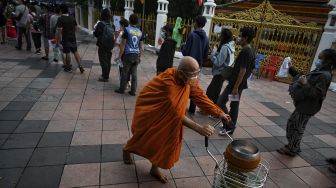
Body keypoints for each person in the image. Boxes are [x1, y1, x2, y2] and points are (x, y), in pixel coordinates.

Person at [123, 56, 231, 183]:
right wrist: (199, 128)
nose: (195, 78)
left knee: (164, 143)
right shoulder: (169, 85)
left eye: (197, 74)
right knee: (147, 139)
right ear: (180, 74)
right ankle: (127, 148)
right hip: (155, 114)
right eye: (193, 75)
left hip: (170, 118)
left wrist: (220, 113)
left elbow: (200, 96)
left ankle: (154, 168)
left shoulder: (186, 80)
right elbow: (175, 113)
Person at [277, 49, 336, 156]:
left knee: (295, 127)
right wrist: (291, 68)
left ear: (328, 60)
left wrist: (305, 85)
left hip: (308, 107)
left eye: (320, 58)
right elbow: (304, 78)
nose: (318, 60)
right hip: (304, 105)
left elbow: (318, 94)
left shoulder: (324, 75)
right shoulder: (319, 70)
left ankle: (292, 149)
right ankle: (293, 146)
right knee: (294, 125)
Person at [217, 27, 256, 135]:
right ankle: (230, 124)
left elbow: (243, 70)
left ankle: (229, 125)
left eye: (240, 36)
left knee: (220, 102)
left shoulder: (245, 51)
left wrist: (235, 88)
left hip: (235, 85)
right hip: (239, 84)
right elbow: (252, 69)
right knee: (233, 105)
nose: (237, 38)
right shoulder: (251, 50)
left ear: (245, 38)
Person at [181, 15, 209, 114]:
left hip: (189, 64)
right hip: (198, 66)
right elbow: (206, 54)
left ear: (196, 23)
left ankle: (181, 107)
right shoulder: (206, 37)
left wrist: (183, 46)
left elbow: (185, 51)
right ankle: (192, 109)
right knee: (194, 86)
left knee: (183, 85)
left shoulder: (192, 35)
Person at [114, 14, 143, 96]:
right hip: (136, 54)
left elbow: (123, 44)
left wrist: (119, 56)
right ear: (137, 22)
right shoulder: (140, 32)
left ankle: (121, 89)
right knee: (134, 73)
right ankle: (133, 91)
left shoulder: (127, 30)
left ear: (129, 21)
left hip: (128, 54)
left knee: (124, 72)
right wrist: (140, 56)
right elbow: (141, 46)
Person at [206, 28, 235, 104]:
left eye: (221, 34)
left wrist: (213, 54)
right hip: (222, 72)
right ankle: (208, 109)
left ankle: (214, 111)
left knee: (212, 92)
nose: (219, 36)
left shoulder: (225, 47)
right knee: (212, 91)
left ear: (224, 36)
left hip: (220, 73)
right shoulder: (230, 45)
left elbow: (218, 62)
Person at [56, 3, 84, 73]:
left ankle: (68, 67)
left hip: (65, 38)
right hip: (73, 37)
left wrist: (58, 41)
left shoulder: (60, 19)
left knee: (67, 53)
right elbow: (76, 28)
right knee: (75, 51)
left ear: (61, 10)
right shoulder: (72, 18)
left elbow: (59, 31)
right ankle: (80, 65)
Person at [94, 8, 113, 82]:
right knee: (108, 60)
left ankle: (105, 76)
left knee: (103, 60)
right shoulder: (112, 24)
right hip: (110, 44)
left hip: (102, 44)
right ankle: (106, 75)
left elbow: (96, 34)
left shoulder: (101, 23)